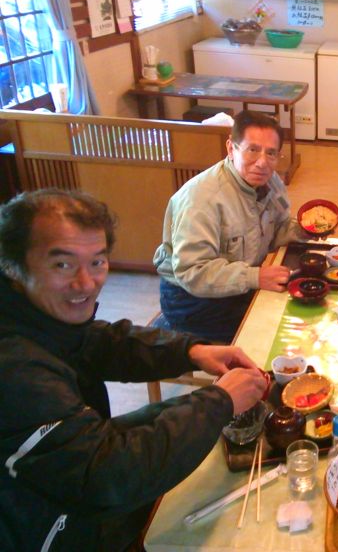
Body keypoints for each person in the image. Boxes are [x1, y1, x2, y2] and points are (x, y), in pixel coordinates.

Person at [0, 189, 268, 552]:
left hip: (72, 475)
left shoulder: (35, 315)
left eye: (97, 262)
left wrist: (191, 351)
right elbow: (106, 476)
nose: (86, 283)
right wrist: (221, 400)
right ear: (12, 265)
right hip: (44, 526)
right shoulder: (15, 368)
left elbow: (99, 341)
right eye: (62, 265)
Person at [154, 110, 308, 342]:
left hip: (237, 282)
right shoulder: (202, 198)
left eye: (271, 153)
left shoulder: (270, 181)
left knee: (302, 298)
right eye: (252, 150)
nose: (262, 163)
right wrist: (255, 277)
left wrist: (303, 230)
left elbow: (276, 229)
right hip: (190, 301)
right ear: (231, 148)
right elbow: (192, 272)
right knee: (279, 325)